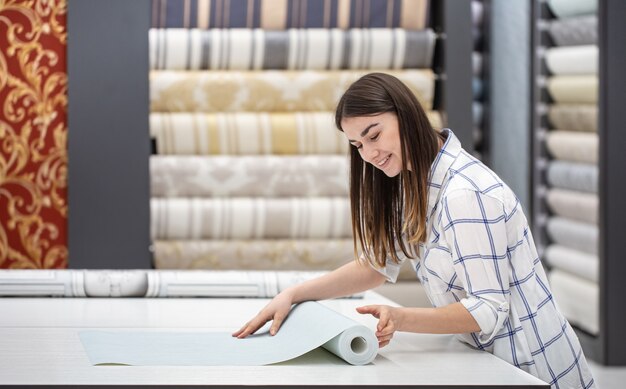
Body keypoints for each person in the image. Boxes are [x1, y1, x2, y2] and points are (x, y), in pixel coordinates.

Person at [233, 73, 595, 388]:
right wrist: (295, 294)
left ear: (406, 115)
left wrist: (402, 318)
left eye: (374, 135)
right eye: (357, 145)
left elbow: (487, 309)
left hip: (534, 368)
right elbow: (377, 264)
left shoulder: (464, 194)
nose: (369, 154)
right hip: (494, 362)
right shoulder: (416, 182)